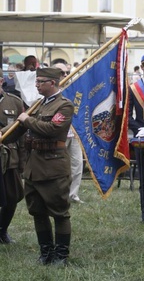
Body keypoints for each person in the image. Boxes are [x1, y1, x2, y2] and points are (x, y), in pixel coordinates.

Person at [1, 67, 74, 266]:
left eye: (41, 81)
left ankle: (61, 256)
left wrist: (27, 119)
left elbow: (52, 129)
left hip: (53, 166)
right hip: (33, 166)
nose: (36, 84)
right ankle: (46, 253)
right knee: (37, 211)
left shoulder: (64, 106)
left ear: (53, 83)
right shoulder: (38, 105)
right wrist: (3, 136)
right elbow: (19, 127)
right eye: (36, 81)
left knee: (59, 212)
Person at [0, 68, 26, 244]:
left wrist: (23, 161)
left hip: (9, 157)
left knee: (12, 196)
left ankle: (2, 230)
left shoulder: (14, 102)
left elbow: (22, 132)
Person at [53, 63, 84, 204]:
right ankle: (58, 193)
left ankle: (73, 194)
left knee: (77, 164)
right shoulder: (51, 92)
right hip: (60, 134)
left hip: (75, 132)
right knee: (58, 164)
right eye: (61, 73)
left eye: (66, 72)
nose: (65, 75)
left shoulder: (74, 88)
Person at [128, 54, 144, 223]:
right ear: (141, 67)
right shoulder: (134, 88)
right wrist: (140, 129)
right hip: (141, 137)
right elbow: (127, 116)